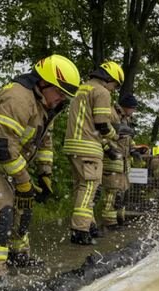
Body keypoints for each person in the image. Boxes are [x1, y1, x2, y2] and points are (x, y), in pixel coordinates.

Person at [0, 54, 80, 286]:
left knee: (25, 206)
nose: (61, 99)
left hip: (11, 158)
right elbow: (3, 144)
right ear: (43, 82)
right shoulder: (18, 97)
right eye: (59, 92)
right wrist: (24, 180)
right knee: (3, 205)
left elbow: (44, 142)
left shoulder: (46, 106)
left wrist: (45, 174)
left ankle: (18, 254)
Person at [64, 61, 125, 245]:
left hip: (73, 145)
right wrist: (116, 135)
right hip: (88, 147)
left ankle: (89, 225)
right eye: (115, 85)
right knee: (90, 188)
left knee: (81, 188)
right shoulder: (102, 92)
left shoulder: (82, 89)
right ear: (109, 78)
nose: (114, 90)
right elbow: (101, 124)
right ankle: (80, 231)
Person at [101, 92, 137, 230]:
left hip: (123, 161)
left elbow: (127, 139)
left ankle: (119, 219)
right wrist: (108, 149)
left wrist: (134, 150)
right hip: (112, 158)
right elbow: (101, 132)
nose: (134, 111)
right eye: (133, 108)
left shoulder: (125, 118)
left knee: (122, 191)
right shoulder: (111, 114)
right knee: (112, 191)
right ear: (127, 107)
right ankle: (109, 222)